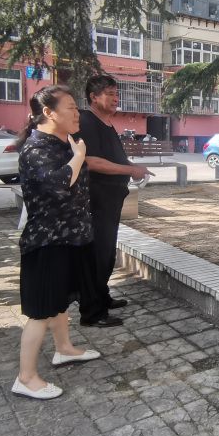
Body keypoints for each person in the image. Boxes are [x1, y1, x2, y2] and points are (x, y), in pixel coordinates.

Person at [13, 86, 102, 400]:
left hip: (69, 237)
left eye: (77, 108)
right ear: (49, 112)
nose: (77, 114)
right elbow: (59, 184)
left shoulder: (64, 143)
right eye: (71, 108)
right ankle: (26, 377)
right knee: (40, 311)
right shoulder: (36, 148)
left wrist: (76, 154)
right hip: (47, 241)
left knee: (59, 301)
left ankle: (63, 348)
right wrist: (79, 157)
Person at [77, 75, 150, 325]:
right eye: (109, 94)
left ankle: (102, 296)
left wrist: (133, 167)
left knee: (107, 252)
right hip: (96, 199)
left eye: (116, 94)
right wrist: (130, 170)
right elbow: (91, 162)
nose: (115, 98)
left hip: (111, 199)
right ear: (93, 97)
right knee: (97, 254)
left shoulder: (106, 123)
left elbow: (114, 158)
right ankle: (92, 312)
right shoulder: (87, 122)